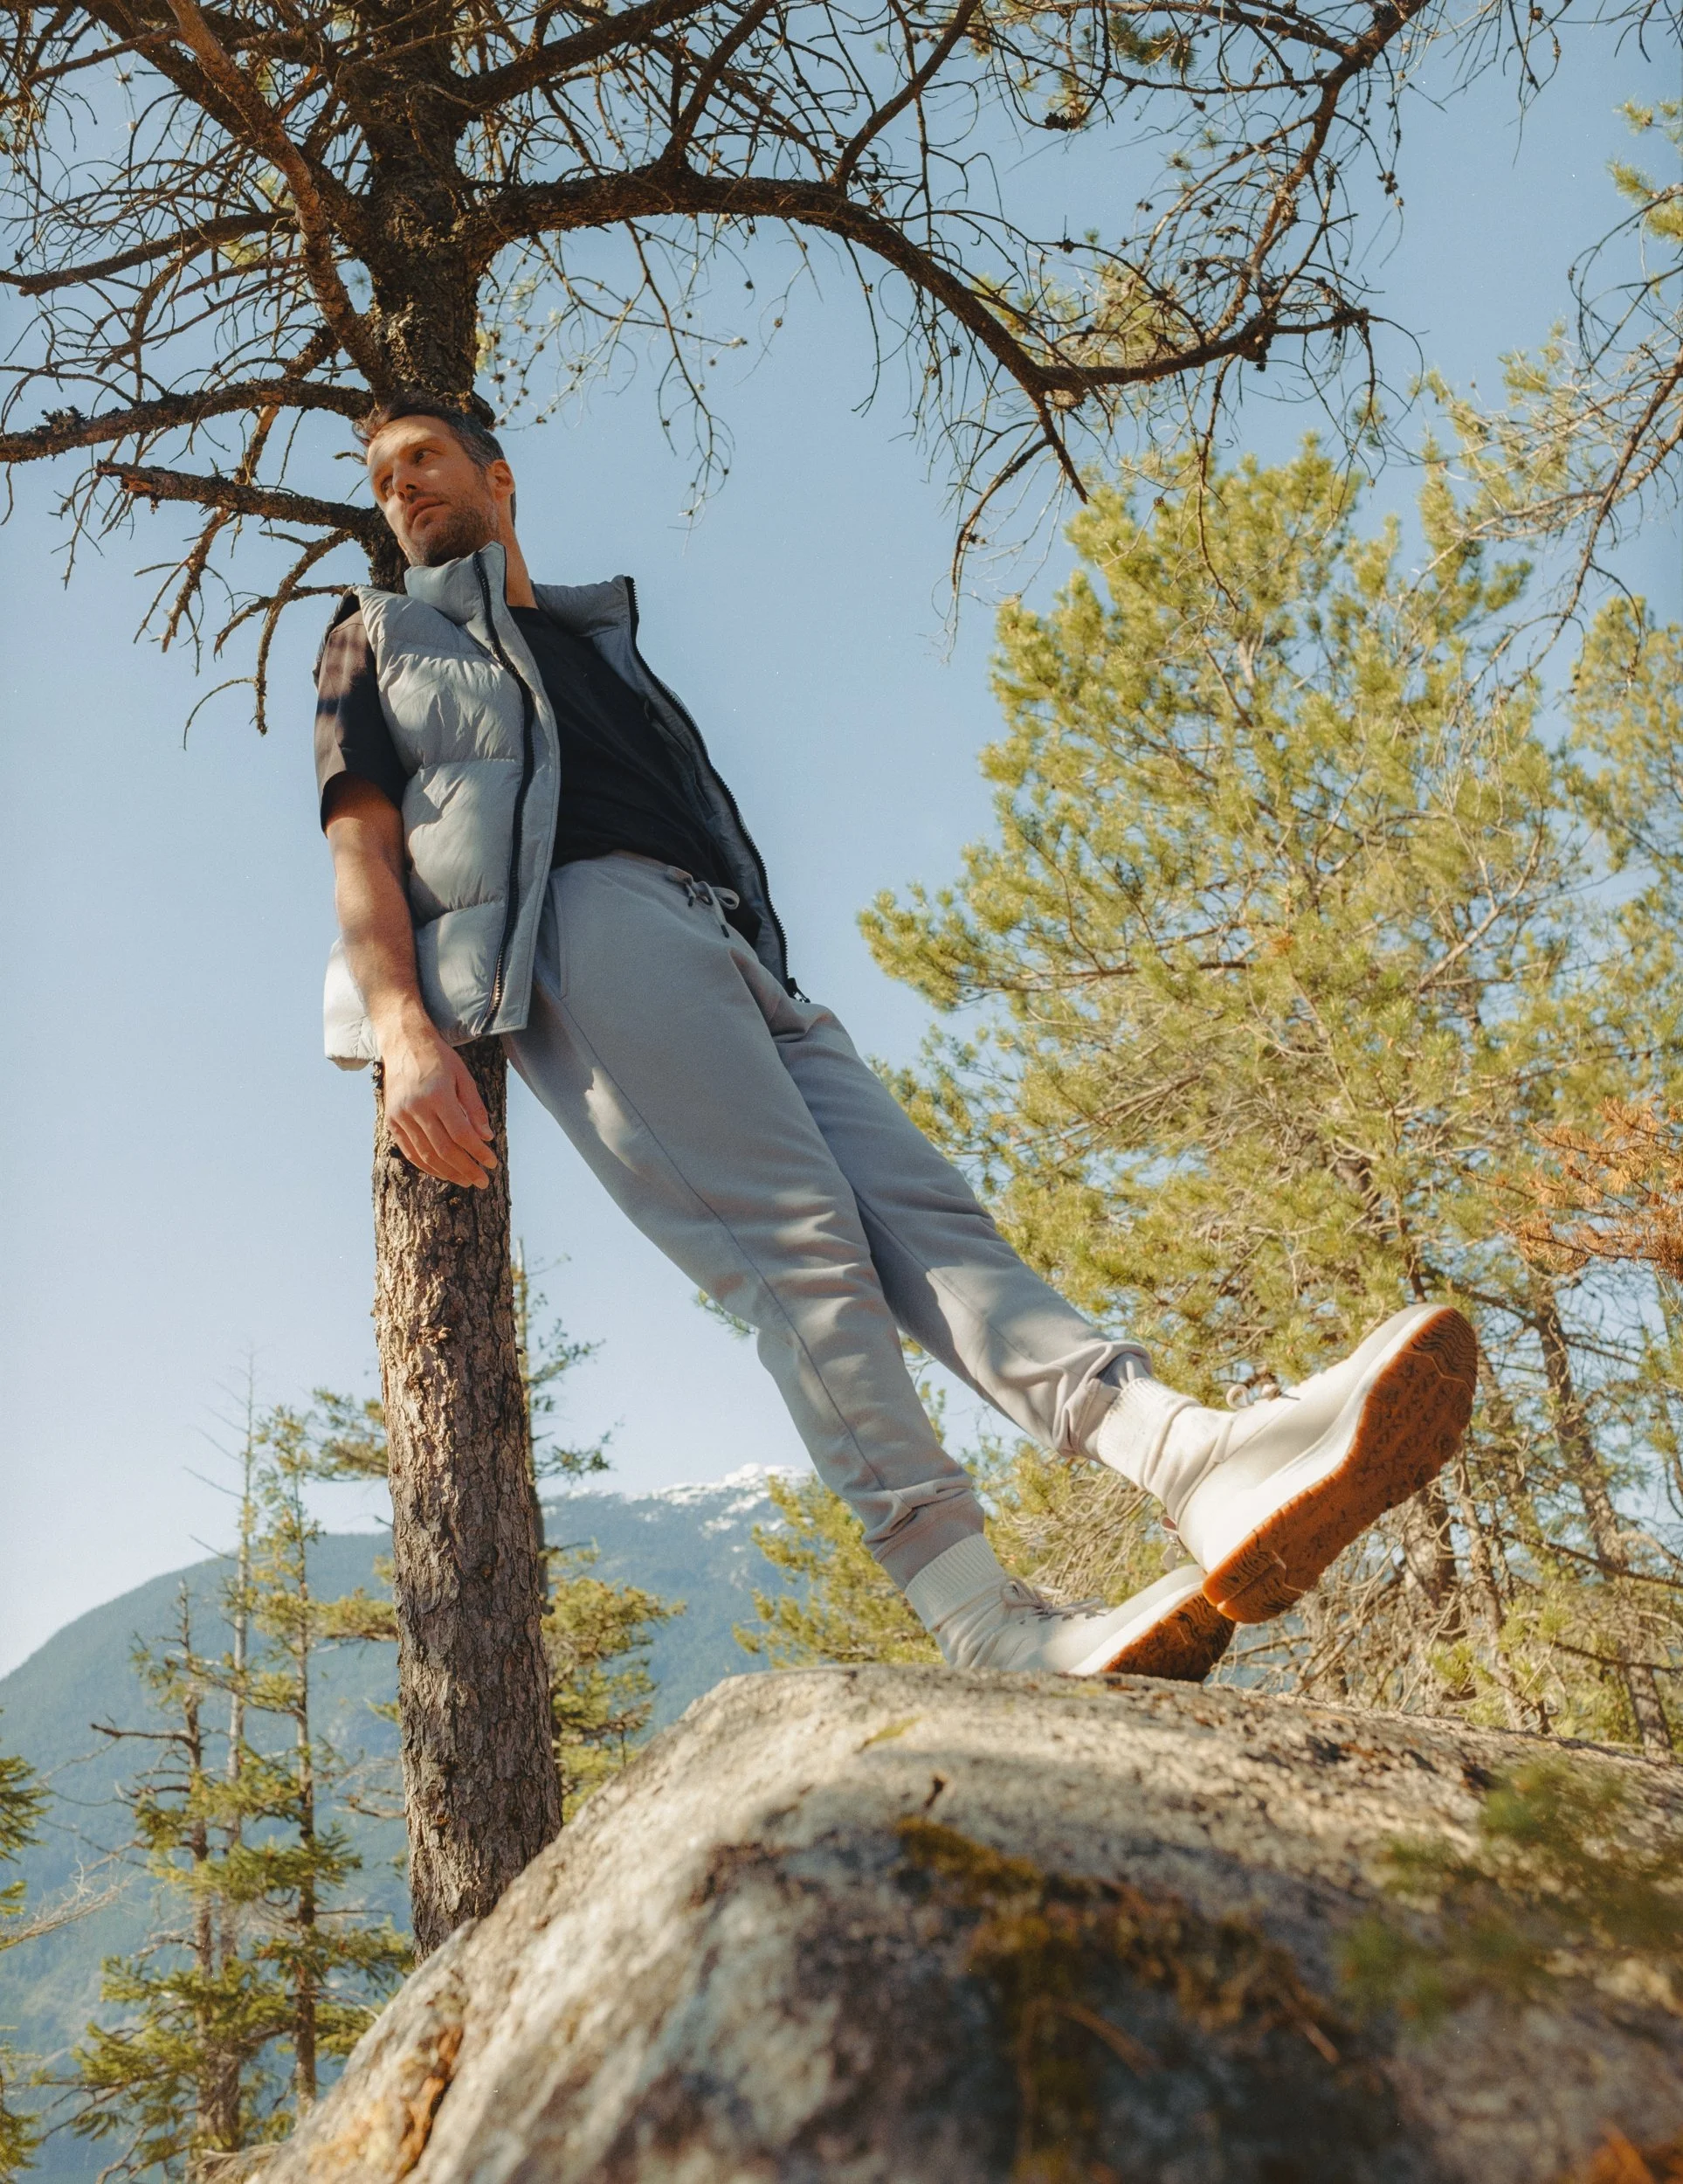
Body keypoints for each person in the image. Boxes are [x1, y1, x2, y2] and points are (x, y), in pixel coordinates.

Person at [315, 390, 1479, 1683]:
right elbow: (361, 840)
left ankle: (1185, 1454)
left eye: (423, 458)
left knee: (931, 1221)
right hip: (584, 933)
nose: (401, 487)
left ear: (499, 476)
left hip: (727, 943)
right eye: (382, 478)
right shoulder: (374, 636)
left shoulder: (591, 637)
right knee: (799, 1252)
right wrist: (399, 1027)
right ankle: (977, 1616)